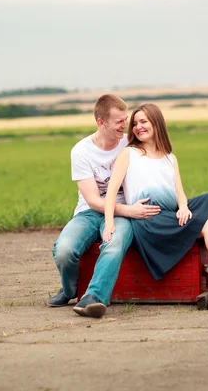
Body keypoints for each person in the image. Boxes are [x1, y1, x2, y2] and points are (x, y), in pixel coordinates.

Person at [103, 103, 208, 306]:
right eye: (135, 123)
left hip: (170, 213)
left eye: (143, 121)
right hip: (149, 220)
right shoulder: (129, 153)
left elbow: (179, 191)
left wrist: (183, 207)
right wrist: (110, 222)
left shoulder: (169, 158)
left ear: (156, 123)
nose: (138, 127)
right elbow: (111, 191)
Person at [48, 94, 162, 318]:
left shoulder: (131, 143)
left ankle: (94, 297)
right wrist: (130, 211)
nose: (125, 126)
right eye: (119, 121)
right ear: (101, 123)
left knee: (114, 242)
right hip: (90, 213)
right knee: (64, 250)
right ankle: (70, 290)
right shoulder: (81, 151)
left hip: (121, 213)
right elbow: (92, 200)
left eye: (125, 119)